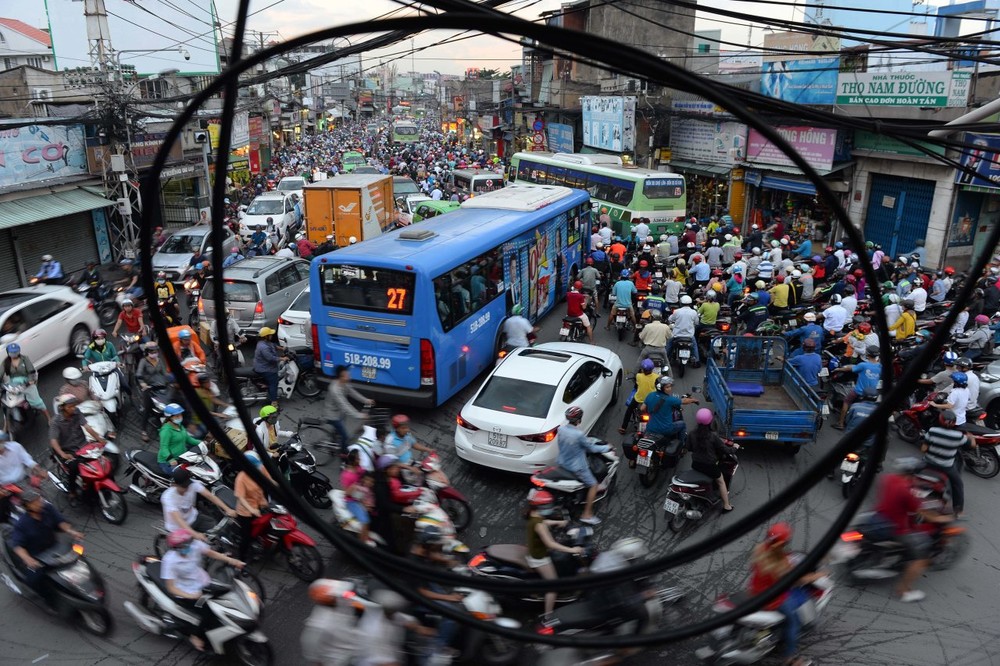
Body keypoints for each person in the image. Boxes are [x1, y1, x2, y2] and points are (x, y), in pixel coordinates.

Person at [872, 458, 952, 602]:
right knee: (922, 558)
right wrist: (943, 518)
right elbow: (924, 514)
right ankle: (904, 591)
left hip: (877, 517)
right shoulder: (906, 491)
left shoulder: (888, 478)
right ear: (913, 474)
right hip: (896, 528)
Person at [749, 522, 823, 666]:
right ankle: (790, 659)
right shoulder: (780, 562)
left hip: (755, 590)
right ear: (784, 542)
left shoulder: (759, 549)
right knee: (793, 622)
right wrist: (818, 575)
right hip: (773, 599)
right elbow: (799, 580)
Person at [160, 528, 245, 652]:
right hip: (187, 592)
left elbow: (210, 553)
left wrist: (232, 561)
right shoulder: (169, 561)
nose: (188, 546)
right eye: (184, 545)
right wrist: (191, 596)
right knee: (208, 613)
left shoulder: (194, 545)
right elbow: (171, 588)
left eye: (188, 543)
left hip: (204, 583)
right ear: (175, 548)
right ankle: (195, 636)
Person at [8, 489, 84, 604]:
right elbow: (18, 546)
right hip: (38, 556)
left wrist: (72, 532)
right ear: (28, 506)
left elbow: (60, 522)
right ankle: (48, 600)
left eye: (39, 499)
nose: (40, 503)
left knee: (77, 559)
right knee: (33, 580)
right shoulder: (22, 524)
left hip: (55, 547)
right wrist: (28, 559)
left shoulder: (48, 509)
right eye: (35, 502)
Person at [524, 488, 584, 615]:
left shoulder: (533, 515)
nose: (550, 508)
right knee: (553, 587)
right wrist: (572, 549)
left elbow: (544, 522)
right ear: (540, 507)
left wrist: (559, 522)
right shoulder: (539, 525)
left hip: (533, 552)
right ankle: (548, 616)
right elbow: (550, 544)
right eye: (547, 506)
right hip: (539, 558)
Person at [556, 406, 612, 525]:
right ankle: (587, 514)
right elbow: (591, 448)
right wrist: (607, 447)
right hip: (577, 467)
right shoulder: (578, 434)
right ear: (579, 420)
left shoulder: (561, 430)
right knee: (593, 485)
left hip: (562, 462)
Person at [49, 395, 103, 504]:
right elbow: (53, 441)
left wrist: (99, 439)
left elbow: (87, 427)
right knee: (74, 467)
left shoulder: (77, 412)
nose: (73, 408)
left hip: (83, 446)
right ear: (62, 408)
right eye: (70, 406)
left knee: (99, 460)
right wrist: (62, 454)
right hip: (67, 451)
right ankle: (72, 491)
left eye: (74, 406)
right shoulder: (56, 422)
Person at [921, 410, 975, 518]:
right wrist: (971, 438)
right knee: (958, 485)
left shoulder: (932, 431)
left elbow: (923, 449)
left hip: (928, 463)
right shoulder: (958, 436)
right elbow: (972, 446)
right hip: (946, 467)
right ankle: (958, 511)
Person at [357, 588, 431, 666]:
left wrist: (418, 628)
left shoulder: (392, 615)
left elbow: (409, 622)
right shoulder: (374, 630)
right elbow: (381, 662)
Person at [162, 467, 236, 539]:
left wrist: (227, 509)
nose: (187, 488)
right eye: (183, 487)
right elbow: (179, 520)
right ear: (174, 485)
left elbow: (209, 496)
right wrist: (195, 534)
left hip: (194, 517)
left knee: (218, 531)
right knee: (196, 546)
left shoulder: (192, 484)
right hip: (178, 529)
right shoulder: (168, 497)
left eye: (187, 485)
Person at [301, 579, 360, 666]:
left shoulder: (341, 600)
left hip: (358, 648)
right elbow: (314, 657)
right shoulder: (318, 627)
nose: (344, 595)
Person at [689, 409, 735, 512]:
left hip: (695, 464)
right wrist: (735, 448)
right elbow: (726, 450)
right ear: (710, 421)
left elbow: (689, 448)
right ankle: (726, 506)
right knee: (721, 482)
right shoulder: (713, 436)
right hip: (710, 466)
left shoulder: (692, 433)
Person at [324, 365, 374, 454]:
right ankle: (343, 452)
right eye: (347, 375)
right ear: (341, 377)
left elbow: (353, 393)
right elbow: (345, 405)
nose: (349, 376)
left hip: (339, 412)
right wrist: (360, 415)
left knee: (338, 431)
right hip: (332, 415)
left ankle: (333, 442)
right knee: (345, 436)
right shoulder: (335, 389)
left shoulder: (344, 383)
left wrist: (366, 400)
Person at [234, 451, 273, 560]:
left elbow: (270, 481)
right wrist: (252, 509)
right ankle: (241, 560)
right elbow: (241, 498)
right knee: (246, 537)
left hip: (261, 504)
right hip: (246, 511)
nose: (258, 468)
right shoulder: (241, 478)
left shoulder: (260, 468)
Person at [833, 345, 881, 430]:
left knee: (846, 401)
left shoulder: (863, 365)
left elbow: (849, 369)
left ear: (867, 354)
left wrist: (839, 369)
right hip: (872, 393)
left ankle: (840, 423)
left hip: (858, 391)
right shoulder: (880, 366)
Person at [0, 430, 43, 522]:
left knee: (37, 497)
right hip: (7, 488)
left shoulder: (15, 447)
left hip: (23, 479)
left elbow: (28, 460)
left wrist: (38, 470)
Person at [2, 344, 50, 425]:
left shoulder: (25, 359)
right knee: (6, 403)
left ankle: (49, 418)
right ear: (8, 353)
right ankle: (6, 426)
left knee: (37, 402)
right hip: (14, 385)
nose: (14, 354)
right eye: (12, 352)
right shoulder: (6, 362)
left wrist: (30, 381)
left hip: (27, 383)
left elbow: (31, 372)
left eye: (15, 352)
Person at [340, 449, 375, 546]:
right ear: (353, 460)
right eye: (358, 458)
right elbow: (347, 493)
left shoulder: (359, 468)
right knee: (365, 520)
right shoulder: (346, 475)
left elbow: (367, 475)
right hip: (352, 501)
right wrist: (362, 501)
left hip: (363, 496)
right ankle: (362, 543)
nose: (360, 460)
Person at [136, 342, 169, 442]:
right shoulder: (143, 361)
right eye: (152, 351)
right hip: (149, 388)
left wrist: (170, 380)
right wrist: (142, 383)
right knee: (147, 409)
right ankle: (144, 431)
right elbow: (139, 374)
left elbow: (164, 373)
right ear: (147, 352)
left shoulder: (159, 360)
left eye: (156, 351)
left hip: (161, 386)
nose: (154, 353)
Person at [157, 403, 202, 476]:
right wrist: (170, 459)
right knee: (182, 477)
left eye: (180, 415)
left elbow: (188, 439)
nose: (180, 417)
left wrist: (201, 443)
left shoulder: (180, 426)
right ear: (170, 417)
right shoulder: (166, 430)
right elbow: (164, 447)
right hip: (167, 462)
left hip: (181, 457)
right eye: (177, 416)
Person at [619, 359, 659, 436]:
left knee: (629, 410)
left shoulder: (638, 376)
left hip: (638, 400)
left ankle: (623, 427)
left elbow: (636, 386)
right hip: (651, 400)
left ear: (643, 369)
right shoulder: (656, 377)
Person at [253, 327, 289, 404]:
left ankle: (267, 389)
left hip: (264, 366)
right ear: (266, 336)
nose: (271, 336)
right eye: (270, 335)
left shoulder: (264, 342)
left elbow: (273, 346)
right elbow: (271, 358)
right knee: (274, 383)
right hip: (265, 368)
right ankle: (274, 402)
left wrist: (282, 348)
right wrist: (282, 358)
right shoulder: (263, 347)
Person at [667, 295, 701, 366]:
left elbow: (670, 319)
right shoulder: (693, 312)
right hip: (689, 336)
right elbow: (697, 322)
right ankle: (697, 361)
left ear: (681, 303)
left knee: (669, 344)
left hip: (677, 335)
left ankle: (666, 359)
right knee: (694, 346)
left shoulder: (677, 311)